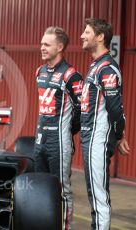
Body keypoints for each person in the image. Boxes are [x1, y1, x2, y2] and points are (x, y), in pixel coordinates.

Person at [80, 18, 130, 230]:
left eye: (87, 31)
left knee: (99, 199)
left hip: (97, 142)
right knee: (94, 196)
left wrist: (118, 135)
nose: (82, 35)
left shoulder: (107, 68)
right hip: (90, 140)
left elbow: (115, 109)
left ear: (100, 37)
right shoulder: (96, 66)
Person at [34, 26, 83, 230]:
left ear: (60, 46)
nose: (42, 47)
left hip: (59, 142)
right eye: (42, 43)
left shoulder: (71, 75)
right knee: (39, 188)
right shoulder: (40, 71)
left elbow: (82, 111)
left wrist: (66, 133)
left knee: (61, 191)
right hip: (40, 139)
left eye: (47, 44)